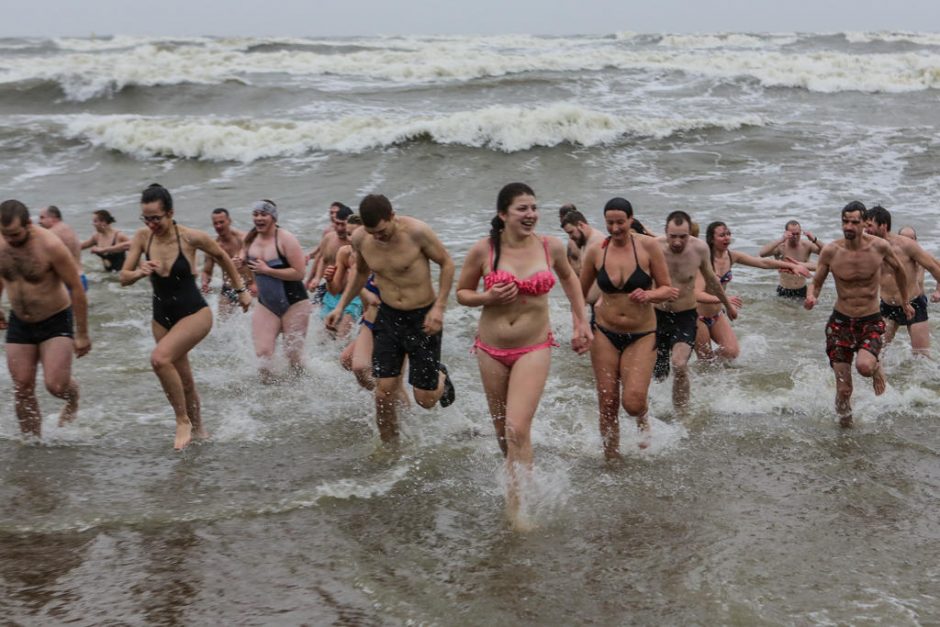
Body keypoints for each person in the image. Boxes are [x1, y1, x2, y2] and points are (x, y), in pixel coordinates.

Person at [457, 183, 591, 528]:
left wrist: (581, 321)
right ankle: (518, 480)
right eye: (522, 209)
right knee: (503, 434)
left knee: (517, 428)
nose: (531, 214)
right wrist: (487, 298)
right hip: (490, 349)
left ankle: (519, 509)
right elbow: (462, 293)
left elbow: (570, 281)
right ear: (503, 214)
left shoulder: (551, 246)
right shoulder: (483, 250)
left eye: (534, 207)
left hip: (534, 347)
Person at [120, 184, 251, 450]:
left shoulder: (191, 237)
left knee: (159, 359)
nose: (151, 223)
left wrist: (241, 291)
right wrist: (140, 272)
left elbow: (223, 257)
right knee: (185, 380)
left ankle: (182, 421)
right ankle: (200, 431)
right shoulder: (143, 237)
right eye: (146, 218)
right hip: (161, 318)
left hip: (195, 313)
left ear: (170, 213)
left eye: (156, 217)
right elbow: (124, 277)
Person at [325, 194, 456, 444]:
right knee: (383, 392)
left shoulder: (417, 232)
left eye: (383, 231)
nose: (379, 237)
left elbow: (447, 263)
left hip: (422, 317)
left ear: (392, 216)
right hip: (388, 317)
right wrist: (341, 306)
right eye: (373, 232)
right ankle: (390, 448)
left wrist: (439, 307)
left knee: (425, 400)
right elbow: (361, 273)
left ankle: (440, 376)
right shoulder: (363, 238)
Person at [579, 197, 678, 458]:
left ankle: (642, 417)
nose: (614, 228)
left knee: (632, 403)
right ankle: (611, 458)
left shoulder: (648, 247)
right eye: (609, 223)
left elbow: (668, 289)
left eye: (620, 222)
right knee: (608, 402)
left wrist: (650, 296)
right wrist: (579, 326)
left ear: (631, 220)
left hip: (642, 333)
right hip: (604, 331)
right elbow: (577, 293)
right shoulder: (596, 251)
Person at [805, 201, 912, 427]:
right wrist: (812, 296)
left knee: (864, 367)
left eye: (854, 222)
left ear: (865, 223)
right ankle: (846, 431)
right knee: (844, 389)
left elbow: (900, 272)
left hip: (870, 321)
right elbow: (816, 282)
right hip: (840, 323)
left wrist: (905, 301)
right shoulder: (831, 251)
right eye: (845, 221)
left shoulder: (879, 247)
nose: (849, 226)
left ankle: (875, 368)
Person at [0, 199, 90, 438]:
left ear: (28, 224)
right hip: (19, 321)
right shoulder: (1, 243)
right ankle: (32, 443)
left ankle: (73, 397)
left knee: (56, 385)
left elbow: (76, 287)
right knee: (22, 388)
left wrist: (82, 333)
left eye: (16, 234)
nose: (11, 240)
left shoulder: (50, 245)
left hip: (55, 319)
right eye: (5, 234)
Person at [654, 211, 737, 409]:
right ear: (665, 232)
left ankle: (681, 415)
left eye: (682, 236)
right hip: (658, 316)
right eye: (672, 236)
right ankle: (655, 406)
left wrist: (727, 304)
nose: (677, 242)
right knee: (659, 372)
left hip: (686, 315)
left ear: (690, 233)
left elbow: (712, 281)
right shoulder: (654, 247)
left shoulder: (699, 249)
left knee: (680, 364)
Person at [696, 221, 810, 362]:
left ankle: (718, 376)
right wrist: (726, 301)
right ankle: (700, 375)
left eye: (728, 234)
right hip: (697, 317)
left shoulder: (731, 256)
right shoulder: (704, 261)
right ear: (711, 239)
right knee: (705, 360)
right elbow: (697, 294)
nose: (726, 238)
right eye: (721, 235)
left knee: (731, 352)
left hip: (717, 314)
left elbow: (763, 262)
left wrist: (792, 266)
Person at [242, 200, 311, 382]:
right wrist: (241, 266)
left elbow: (300, 273)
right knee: (263, 356)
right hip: (267, 304)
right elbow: (248, 269)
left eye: (263, 214)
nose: (259, 218)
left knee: (293, 357)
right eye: (255, 214)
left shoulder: (285, 238)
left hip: (294, 303)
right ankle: (270, 395)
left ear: (273, 217)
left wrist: (268, 270)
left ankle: (301, 390)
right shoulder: (250, 240)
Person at [864, 206, 940, 356]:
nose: (866, 230)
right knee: (875, 354)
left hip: (914, 304)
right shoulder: (868, 247)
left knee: (922, 357)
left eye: (870, 226)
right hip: (887, 306)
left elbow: (933, 267)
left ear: (883, 225)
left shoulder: (906, 245)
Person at [200, 208, 251, 318]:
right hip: (229, 289)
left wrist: (242, 260)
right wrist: (204, 283)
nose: (218, 226)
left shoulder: (243, 238)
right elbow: (206, 271)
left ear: (229, 221)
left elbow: (254, 254)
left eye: (221, 222)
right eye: (215, 223)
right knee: (221, 324)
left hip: (250, 286)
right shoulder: (213, 247)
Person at [319, 205, 362, 336]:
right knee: (323, 338)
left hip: (357, 299)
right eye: (349, 234)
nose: (350, 238)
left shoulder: (374, 253)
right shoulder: (344, 252)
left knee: (342, 336)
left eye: (355, 234)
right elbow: (334, 289)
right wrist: (329, 280)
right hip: (335, 297)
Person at [758, 219, 823, 299]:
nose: (795, 237)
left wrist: (814, 240)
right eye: (792, 234)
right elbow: (762, 253)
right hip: (784, 289)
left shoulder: (807, 245)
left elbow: (828, 252)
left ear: (801, 232)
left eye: (797, 234)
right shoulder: (781, 247)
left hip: (802, 289)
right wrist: (781, 239)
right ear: (786, 233)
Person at [305, 201, 350, 303]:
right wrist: (316, 279)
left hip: (352, 293)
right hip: (331, 288)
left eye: (343, 224)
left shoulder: (357, 241)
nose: (339, 228)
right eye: (337, 223)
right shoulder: (329, 237)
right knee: (313, 313)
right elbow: (323, 259)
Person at [38, 205, 86, 291]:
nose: (39, 221)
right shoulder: (67, 228)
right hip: (81, 278)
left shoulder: (52, 233)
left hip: (69, 282)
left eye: (42, 218)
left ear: (53, 218)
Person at [81, 209, 130, 273]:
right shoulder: (96, 237)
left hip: (121, 274)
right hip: (108, 277)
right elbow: (80, 246)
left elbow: (135, 246)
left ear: (103, 222)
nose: (93, 224)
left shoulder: (119, 236)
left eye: (95, 221)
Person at [560, 209, 605, 279]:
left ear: (581, 225)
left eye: (571, 232)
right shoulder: (585, 241)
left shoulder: (597, 243)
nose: (570, 237)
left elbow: (605, 278)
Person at [898, 226, 926, 297]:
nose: (908, 242)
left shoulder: (922, 257)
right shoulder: (891, 256)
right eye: (904, 238)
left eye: (911, 239)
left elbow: (937, 268)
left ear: (916, 240)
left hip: (918, 298)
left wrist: (938, 291)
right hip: (897, 300)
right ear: (897, 239)